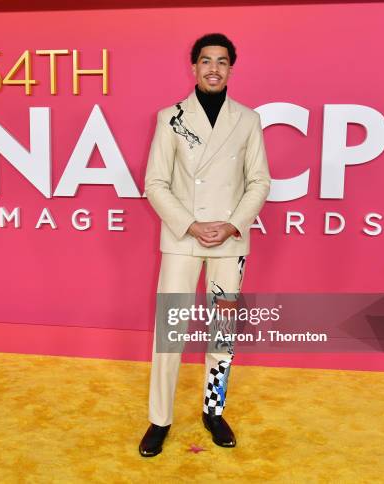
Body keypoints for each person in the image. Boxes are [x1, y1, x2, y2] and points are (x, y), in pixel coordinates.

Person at [139, 33, 271, 457]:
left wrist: (232, 225)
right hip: (182, 240)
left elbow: (260, 182)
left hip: (230, 243)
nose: (214, 68)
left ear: (231, 68)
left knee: (222, 332)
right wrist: (191, 224)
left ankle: (213, 412)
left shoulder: (248, 121)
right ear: (193, 67)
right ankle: (160, 419)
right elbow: (155, 183)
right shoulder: (170, 117)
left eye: (222, 61)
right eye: (205, 61)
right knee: (170, 331)